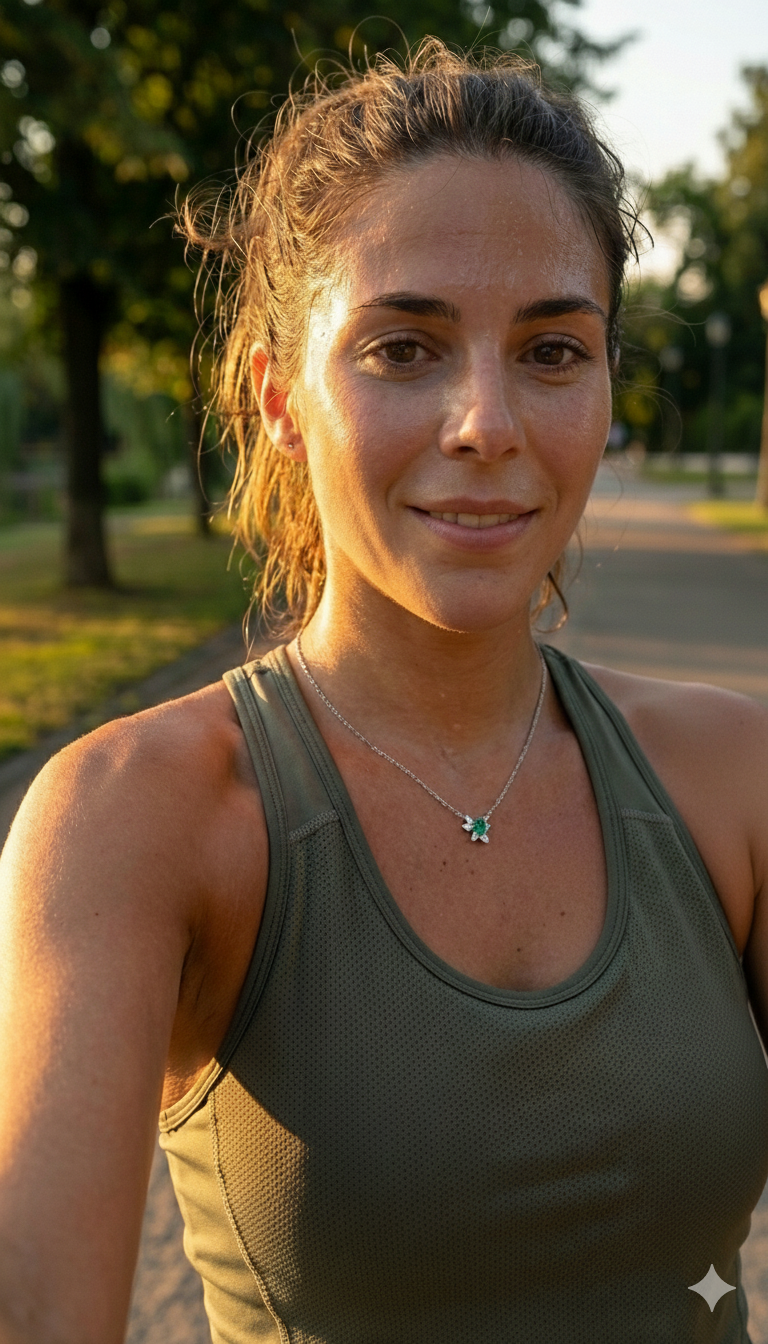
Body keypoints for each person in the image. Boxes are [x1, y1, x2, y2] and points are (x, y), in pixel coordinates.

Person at [1, 40, 767, 1344]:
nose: (486, 421)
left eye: (553, 350)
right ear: (281, 402)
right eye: (403, 347)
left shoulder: (730, 773)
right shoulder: (137, 818)